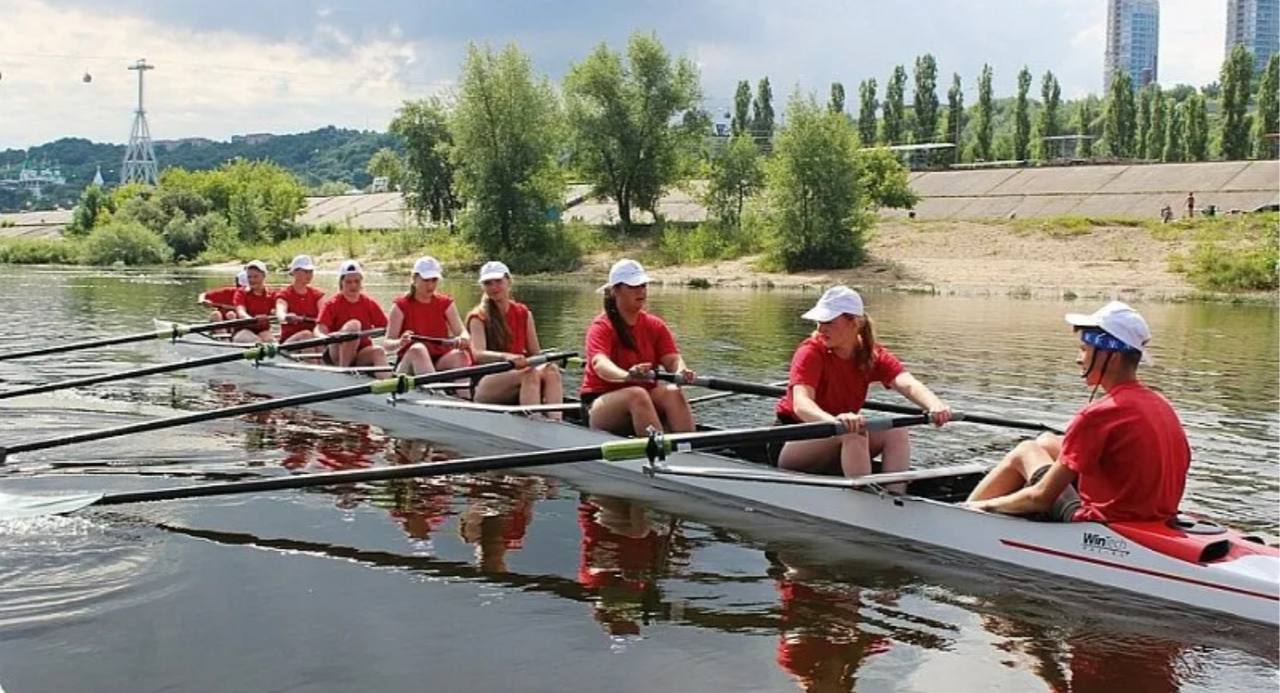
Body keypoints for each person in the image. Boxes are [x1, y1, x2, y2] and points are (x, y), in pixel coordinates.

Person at [965, 301, 1190, 523]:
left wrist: (985, 505)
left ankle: (963, 516)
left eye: (1084, 350)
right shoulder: (1161, 403)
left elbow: (1040, 499)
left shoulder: (1098, 414)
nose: (1078, 360)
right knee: (1046, 442)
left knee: (1026, 450)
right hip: (1153, 515)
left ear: (1112, 357)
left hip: (1103, 524)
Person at [775, 286, 952, 479]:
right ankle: (863, 499)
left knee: (896, 431)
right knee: (853, 432)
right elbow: (802, 405)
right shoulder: (810, 351)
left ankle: (895, 496)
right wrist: (836, 424)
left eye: (829, 321)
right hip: (792, 438)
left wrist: (935, 405)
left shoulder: (870, 354)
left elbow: (907, 383)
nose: (821, 328)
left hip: (837, 433)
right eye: (819, 321)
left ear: (855, 323)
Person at [580, 259, 696, 436]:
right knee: (637, 394)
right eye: (633, 286)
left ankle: (690, 450)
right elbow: (600, 363)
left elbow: (672, 358)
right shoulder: (601, 327)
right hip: (600, 405)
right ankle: (659, 452)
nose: (641, 291)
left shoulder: (655, 325)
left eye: (643, 285)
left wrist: (681, 371)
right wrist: (627, 376)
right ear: (615, 290)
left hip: (644, 400)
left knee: (672, 391)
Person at [466, 261, 564, 420]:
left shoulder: (523, 313)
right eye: (488, 283)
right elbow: (478, 354)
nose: (494, 287)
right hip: (485, 383)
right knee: (528, 373)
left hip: (518, 374)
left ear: (509, 281)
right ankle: (535, 422)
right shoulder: (478, 317)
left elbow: (535, 354)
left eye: (498, 281)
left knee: (551, 370)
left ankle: (556, 421)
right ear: (483, 287)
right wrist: (506, 357)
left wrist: (544, 367)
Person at [384, 256, 471, 376]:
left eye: (434, 280)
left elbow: (462, 332)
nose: (430, 285)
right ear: (414, 279)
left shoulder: (445, 303)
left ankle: (464, 394)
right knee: (418, 349)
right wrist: (400, 342)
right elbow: (387, 344)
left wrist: (463, 338)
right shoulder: (400, 306)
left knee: (459, 355)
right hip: (409, 364)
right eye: (426, 280)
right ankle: (435, 392)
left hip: (437, 361)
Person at [314, 260, 391, 377]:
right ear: (341, 283)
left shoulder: (368, 303)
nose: (353, 285)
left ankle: (387, 388)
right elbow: (318, 330)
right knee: (354, 325)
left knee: (379, 351)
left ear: (361, 282)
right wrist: (327, 337)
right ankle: (343, 373)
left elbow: (388, 327)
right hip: (337, 352)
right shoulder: (332, 304)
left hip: (361, 354)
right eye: (348, 282)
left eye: (357, 281)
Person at [273, 254, 324, 347]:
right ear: (294, 272)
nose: (309, 274)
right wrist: (285, 317)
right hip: (289, 341)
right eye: (305, 271)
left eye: (311, 271)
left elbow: (323, 317)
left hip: (314, 338)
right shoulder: (284, 294)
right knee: (306, 335)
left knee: (315, 338)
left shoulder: (317, 295)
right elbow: (280, 312)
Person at [231, 260, 274, 343]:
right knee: (256, 342)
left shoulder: (271, 294)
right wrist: (252, 320)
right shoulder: (241, 292)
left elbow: (279, 309)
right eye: (249, 277)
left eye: (255, 277)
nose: (252, 280)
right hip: (243, 330)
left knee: (271, 343)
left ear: (264, 276)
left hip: (263, 330)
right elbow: (241, 312)